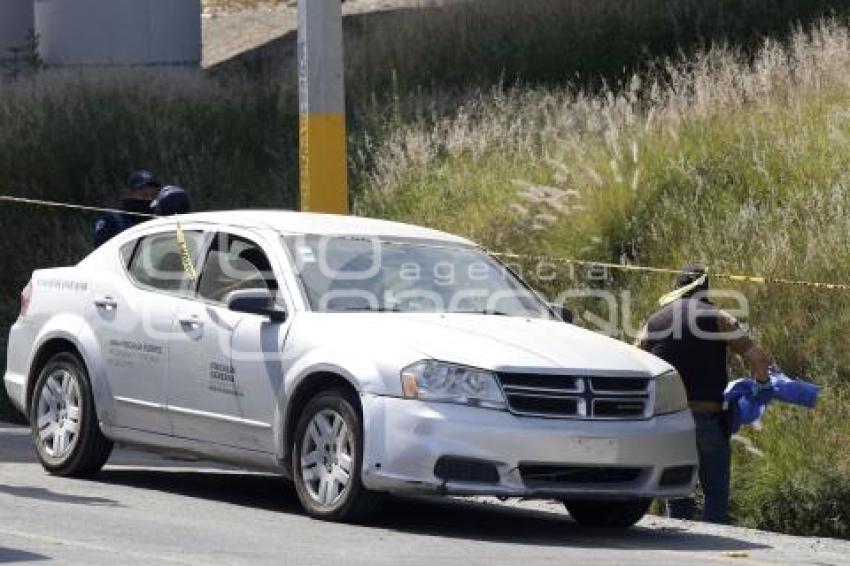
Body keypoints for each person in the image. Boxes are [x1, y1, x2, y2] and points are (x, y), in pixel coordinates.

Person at [635, 265, 772, 524]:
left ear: (676, 289)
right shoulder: (719, 317)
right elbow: (756, 358)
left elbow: (635, 362)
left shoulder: (654, 321)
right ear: (706, 289)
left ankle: (679, 540)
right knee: (716, 493)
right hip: (707, 417)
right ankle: (715, 540)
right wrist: (764, 386)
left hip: (669, 420)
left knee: (677, 492)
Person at [93, 170, 161, 248]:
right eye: (144, 195)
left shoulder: (157, 221)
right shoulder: (112, 220)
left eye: (153, 195)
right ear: (130, 194)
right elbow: (101, 249)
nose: (149, 199)